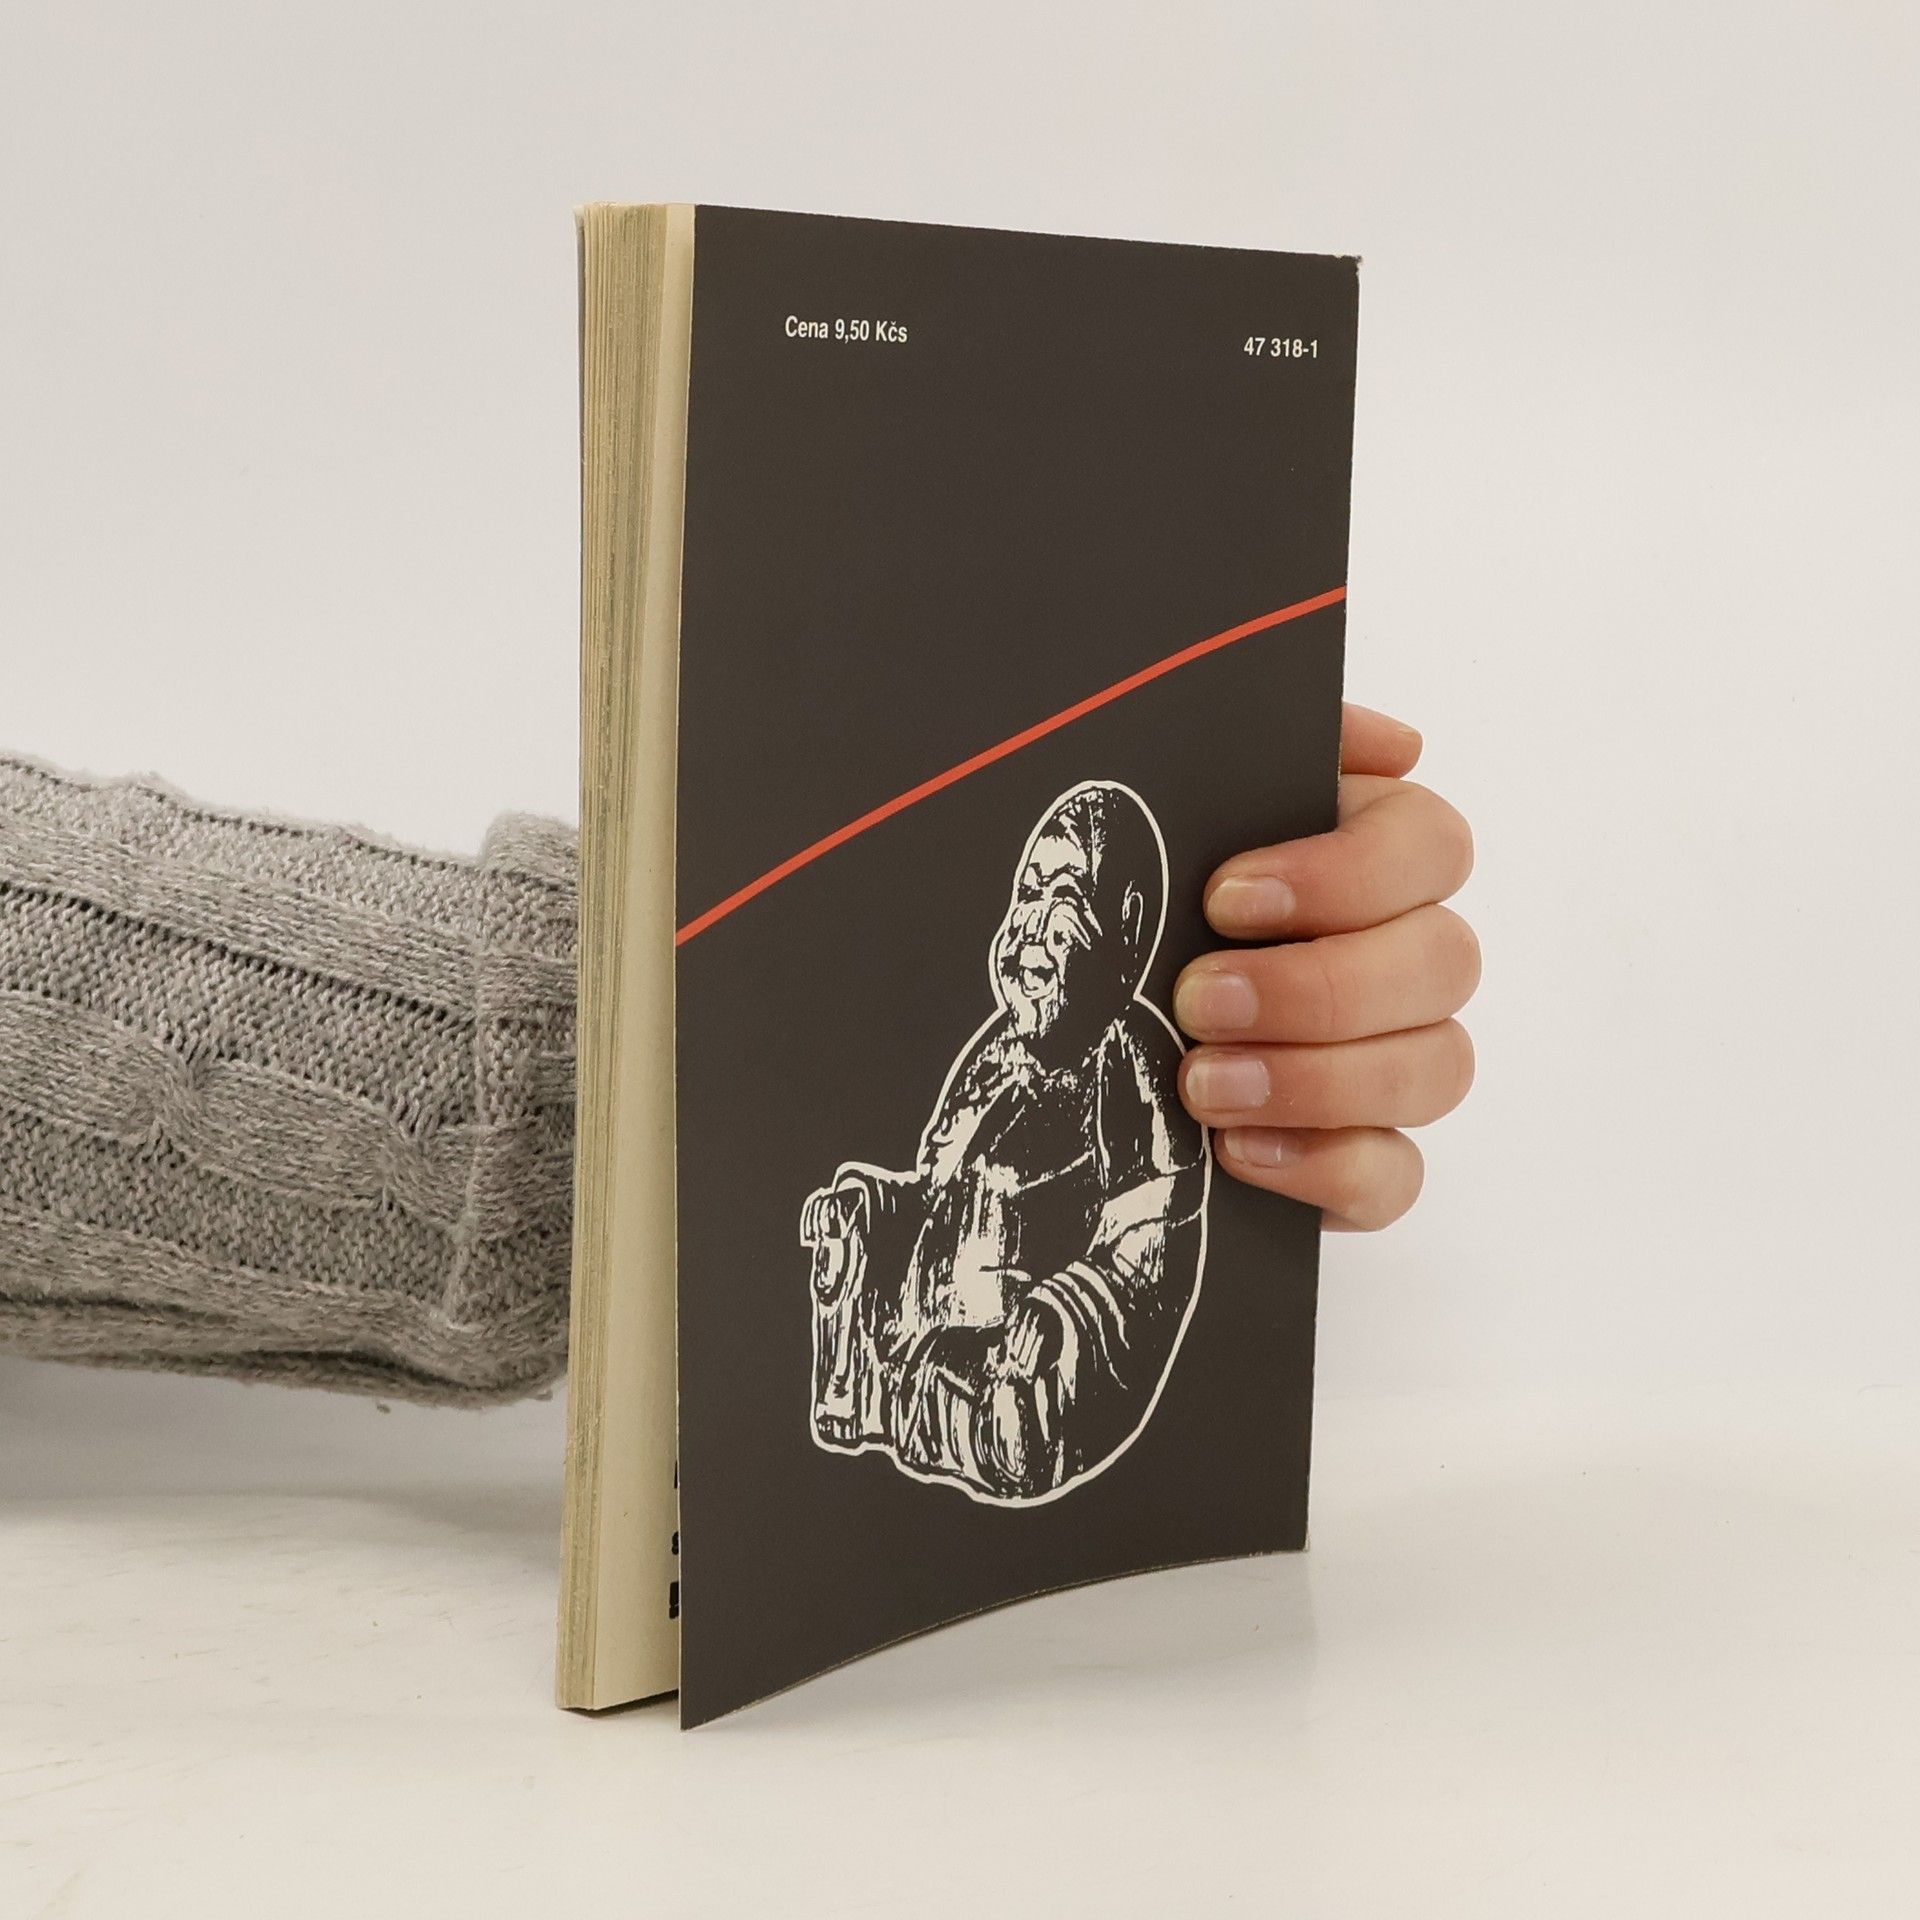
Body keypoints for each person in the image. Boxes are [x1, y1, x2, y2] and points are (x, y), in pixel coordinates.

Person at [0, 704, 1477, 1406]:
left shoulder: (1118, 1080)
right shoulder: (980, 1064)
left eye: (1072, 911)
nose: (1033, 934)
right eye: (1021, 897)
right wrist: (676, 1060)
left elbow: (1120, 1267)